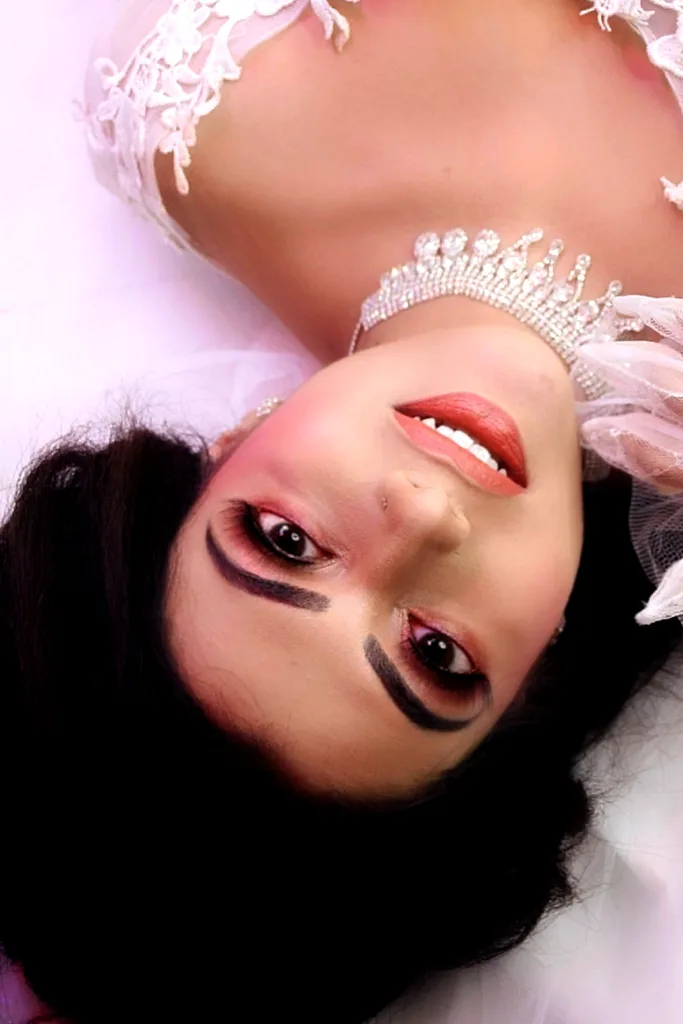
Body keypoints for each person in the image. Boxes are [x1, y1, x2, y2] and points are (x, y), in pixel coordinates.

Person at [1, 0, 683, 1021]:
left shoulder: (196, 106)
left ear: (220, 450)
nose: (423, 514)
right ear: (533, 670)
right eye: (435, 654)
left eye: (284, 542)